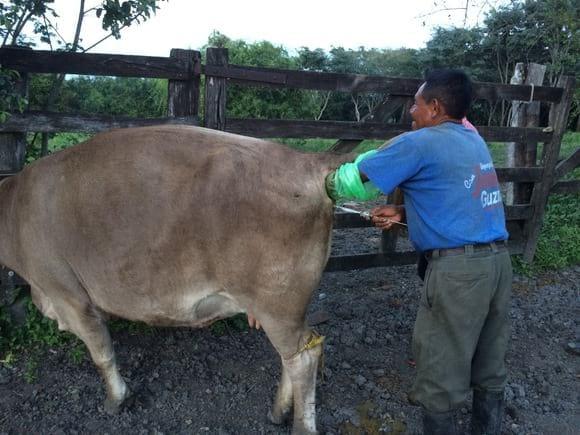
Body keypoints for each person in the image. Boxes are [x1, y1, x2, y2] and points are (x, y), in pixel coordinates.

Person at [327, 69, 513, 434]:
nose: (410, 112)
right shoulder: (472, 140)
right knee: (490, 364)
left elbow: (352, 181)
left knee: (440, 373)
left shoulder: (419, 142)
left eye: (415, 104)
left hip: (460, 277)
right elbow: (462, 201)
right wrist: (403, 211)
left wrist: (314, 182)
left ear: (434, 107)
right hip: (497, 265)